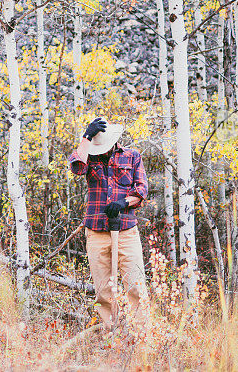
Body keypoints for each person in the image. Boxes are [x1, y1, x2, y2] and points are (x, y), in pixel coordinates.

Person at [68, 117, 149, 328]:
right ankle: (108, 336)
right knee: (103, 291)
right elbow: (76, 167)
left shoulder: (132, 156)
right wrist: (86, 137)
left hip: (126, 231)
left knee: (136, 287)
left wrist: (124, 202)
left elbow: (141, 190)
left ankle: (142, 337)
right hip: (96, 232)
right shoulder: (90, 158)